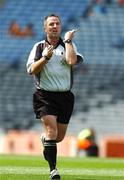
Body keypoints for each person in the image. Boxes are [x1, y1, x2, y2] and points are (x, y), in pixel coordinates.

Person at [26, 14, 84, 180]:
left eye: (57, 23)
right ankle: (53, 170)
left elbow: (72, 62)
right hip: (45, 95)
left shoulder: (68, 45)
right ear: (45, 28)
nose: (55, 26)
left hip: (65, 96)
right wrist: (45, 58)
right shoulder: (38, 46)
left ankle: (46, 140)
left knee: (58, 137)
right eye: (51, 24)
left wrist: (68, 41)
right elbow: (31, 70)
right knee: (52, 131)